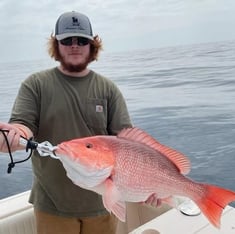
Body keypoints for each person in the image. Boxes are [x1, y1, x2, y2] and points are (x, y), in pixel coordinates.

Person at [0, 11, 164, 234]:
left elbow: (129, 145)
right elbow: (22, 125)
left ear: (92, 45)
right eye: (67, 40)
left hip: (103, 205)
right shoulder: (35, 84)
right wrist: (12, 136)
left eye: (82, 40)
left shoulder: (108, 89)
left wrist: (148, 186)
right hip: (52, 205)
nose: (74, 46)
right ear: (56, 44)